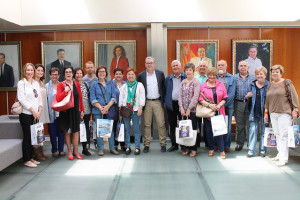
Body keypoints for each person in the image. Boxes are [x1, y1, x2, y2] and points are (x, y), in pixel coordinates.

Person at [264, 65, 299, 166]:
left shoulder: (287, 82)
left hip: (284, 113)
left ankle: (284, 158)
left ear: (281, 73)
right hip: (273, 113)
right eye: (273, 72)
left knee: (283, 135)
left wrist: (295, 110)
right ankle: (280, 154)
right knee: (278, 134)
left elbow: (294, 97)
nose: (274, 73)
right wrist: (266, 113)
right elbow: (267, 100)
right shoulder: (270, 84)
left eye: (277, 72)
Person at [137, 57, 166, 153]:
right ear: (145, 64)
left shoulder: (160, 74)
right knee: (147, 124)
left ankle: (163, 144)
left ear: (154, 63)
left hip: (158, 101)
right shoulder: (141, 76)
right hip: (147, 102)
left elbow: (163, 87)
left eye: (151, 63)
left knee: (161, 124)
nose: (149, 64)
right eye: (147, 63)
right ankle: (146, 144)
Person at [199, 67, 228, 159]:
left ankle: (222, 150)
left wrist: (219, 105)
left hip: (219, 111)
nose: (212, 76)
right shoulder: (202, 86)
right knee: (208, 131)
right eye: (210, 74)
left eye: (214, 75)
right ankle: (211, 148)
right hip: (208, 112)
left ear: (216, 75)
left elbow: (225, 97)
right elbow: (200, 99)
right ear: (208, 75)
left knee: (219, 131)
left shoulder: (221, 84)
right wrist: (209, 105)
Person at [17, 63, 43, 168]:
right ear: (24, 71)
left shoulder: (36, 83)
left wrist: (40, 110)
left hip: (36, 114)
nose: (30, 72)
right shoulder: (21, 83)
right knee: (27, 137)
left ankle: (31, 157)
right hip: (26, 114)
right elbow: (21, 99)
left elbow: (39, 98)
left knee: (33, 137)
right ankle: (26, 159)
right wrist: (32, 110)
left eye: (31, 70)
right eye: (28, 70)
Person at [90, 66, 118, 156]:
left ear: (106, 73)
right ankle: (100, 149)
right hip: (98, 111)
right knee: (99, 129)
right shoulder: (94, 84)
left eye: (103, 71)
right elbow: (92, 98)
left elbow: (114, 97)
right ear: (97, 73)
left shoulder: (110, 84)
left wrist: (107, 107)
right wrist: (101, 108)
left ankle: (112, 148)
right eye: (100, 72)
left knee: (110, 129)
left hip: (109, 110)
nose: (102, 73)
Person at [56, 66, 84, 160]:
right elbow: (58, 98)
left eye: (70, 72)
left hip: (75, 111)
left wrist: (82, 110)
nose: (68, 73)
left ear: (72, 74)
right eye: (66, 72)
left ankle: (75, 151)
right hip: (65, 111)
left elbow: (80, 99)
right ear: (64, 74)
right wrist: (65, 91)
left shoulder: (76, 84)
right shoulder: (61, 84)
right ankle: (69, 151)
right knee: (67, 132)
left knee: (76, 132)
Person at [119, 67, 145, 155]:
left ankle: (137, 147)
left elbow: (142, 97)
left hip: (136, 109)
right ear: (126, 76)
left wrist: (141, 108)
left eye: (132, 74)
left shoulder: (140, 85)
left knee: (136, 129)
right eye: (129, 74)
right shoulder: (124, 86)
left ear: (135, 75)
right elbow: (121, 98)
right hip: (126, 110)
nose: (130, 76)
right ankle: (128, 147)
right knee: (127, 129)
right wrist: (120, 110)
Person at [245, 66, 269, 157]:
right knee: (252, 131)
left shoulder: (269, 85)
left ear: (265, 75)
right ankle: (251, 151)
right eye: (257, 74)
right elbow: (245, 96)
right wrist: (247, 95)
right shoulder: (252, 84)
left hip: (265, 113)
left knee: (264, 132)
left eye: (261, 74)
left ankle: (262, 150)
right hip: (253, 112)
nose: (259, 76)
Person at [178, 63, 200, 157]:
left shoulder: (196, 82)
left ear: (193, 71)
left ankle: (193, 148)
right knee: (184, 130)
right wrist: (181, 107)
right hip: (183, 110)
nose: (188, 72)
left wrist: (189, 109)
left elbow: (195, 97)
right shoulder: (183, 82)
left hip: (193, 110)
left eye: (190, 70)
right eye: (186, 70)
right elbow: (180, 96)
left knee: (193, 129)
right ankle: (186, 147)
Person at [164, 60, 186, 152]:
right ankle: (174, 145)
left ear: (180, 66)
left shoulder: (185, 77)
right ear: (171, 68)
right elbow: (164, 91)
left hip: (182, 105)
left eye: (177, 65)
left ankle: (184, 145)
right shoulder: (168, 78)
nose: (175, 67)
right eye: (173, 66)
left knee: (183, 125)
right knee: (172, 125)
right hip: (171, 105)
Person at [234, 60, 256, 151]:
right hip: (238, 103)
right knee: (239, 125)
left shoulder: (254, 78)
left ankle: (250, 144)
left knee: (249, 124)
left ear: (248, 67)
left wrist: (252, 93)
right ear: (238, 67)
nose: (243, 67)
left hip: (250, 103)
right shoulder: (234, 77)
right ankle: (239, 144)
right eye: (241, 65)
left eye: (245, 66)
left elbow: (258, 89)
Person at [217, 60, 236, 152]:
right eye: (219, 65)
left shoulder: (232, 78)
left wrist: (223, 104)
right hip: (216, 106)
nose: (220, 66)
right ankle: (217, 144)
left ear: (226, 66)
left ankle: (226, 145)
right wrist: (217, 105)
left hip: (228, 106)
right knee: (216, 125)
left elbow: (231, 94)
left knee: (227, 126)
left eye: (222, 65)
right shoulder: (214, 77)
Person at [45, 67, 65, 157]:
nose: (54, 76)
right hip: (51, 113)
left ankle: (61, 149)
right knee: (52, 132)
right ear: (49, 75)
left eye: (56, 74)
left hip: (61, 113)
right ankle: (54, 150)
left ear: (59, 76)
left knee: (61, 132)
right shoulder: (46, 87)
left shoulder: (62, 85)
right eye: (52, 74)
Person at [33, 64, 50, 160]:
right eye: (38, 70)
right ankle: (36, 152)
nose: (40, 72)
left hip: (42, 110)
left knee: (40, 130)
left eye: (42, 71)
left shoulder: (41, 82)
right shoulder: (32, 83)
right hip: (36, 111)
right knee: (36, 131)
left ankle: (41, 151)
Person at [74, 67, 92, 156]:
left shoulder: (85, 84)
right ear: (74, 75)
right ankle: (75, 150)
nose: (79, 75)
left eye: (80, 73)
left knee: (85, 129)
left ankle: (85, 148)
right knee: (76, 130)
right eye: (77, 73)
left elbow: (88, 97)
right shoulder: (72, 84)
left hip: (87, 110)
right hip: (76, 110)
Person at [82, 61, 98, 149]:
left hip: (96, 105)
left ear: (94, 68)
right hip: (86, 105)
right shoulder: (83, 79)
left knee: (96, 123)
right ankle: (87, 142)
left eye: (91, 67)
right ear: (85, 69)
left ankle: (96, 142)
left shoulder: (97, 79)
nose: (90, 69)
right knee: (86, 124)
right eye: (88, 68)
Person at [111, 68, 126, 151]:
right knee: (114, 126)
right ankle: (115, 144)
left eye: (120, 74)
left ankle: (123, 144)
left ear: (123, 75)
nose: (118, 75)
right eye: (116, 74)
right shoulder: (110, 84)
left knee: (122, 126)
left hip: (124, 109)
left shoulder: (126, 84)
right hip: (113, 108)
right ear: (114, 75)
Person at [194, 60, 208, 148]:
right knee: (197, 124)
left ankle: (207, 142)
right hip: (197, 104)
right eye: (200, 66)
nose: (202, 67)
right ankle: (197, 142)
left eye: (204, 66)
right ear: (198, 68)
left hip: (207, 104)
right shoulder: (195, 78)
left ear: (206, 68)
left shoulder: (209, 77)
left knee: (207, 123)